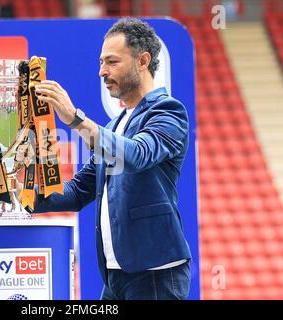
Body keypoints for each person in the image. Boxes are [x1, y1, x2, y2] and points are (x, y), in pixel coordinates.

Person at [32, 17, 192, 300]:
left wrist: (76, 120)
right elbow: (79, 190)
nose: (102, 71)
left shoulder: (169, 111)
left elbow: (138, 154)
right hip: (117, 277)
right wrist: (22, 198)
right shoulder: (116, 125)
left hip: (155, 273)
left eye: (112, 62)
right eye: (101, 62)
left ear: (143, 61)